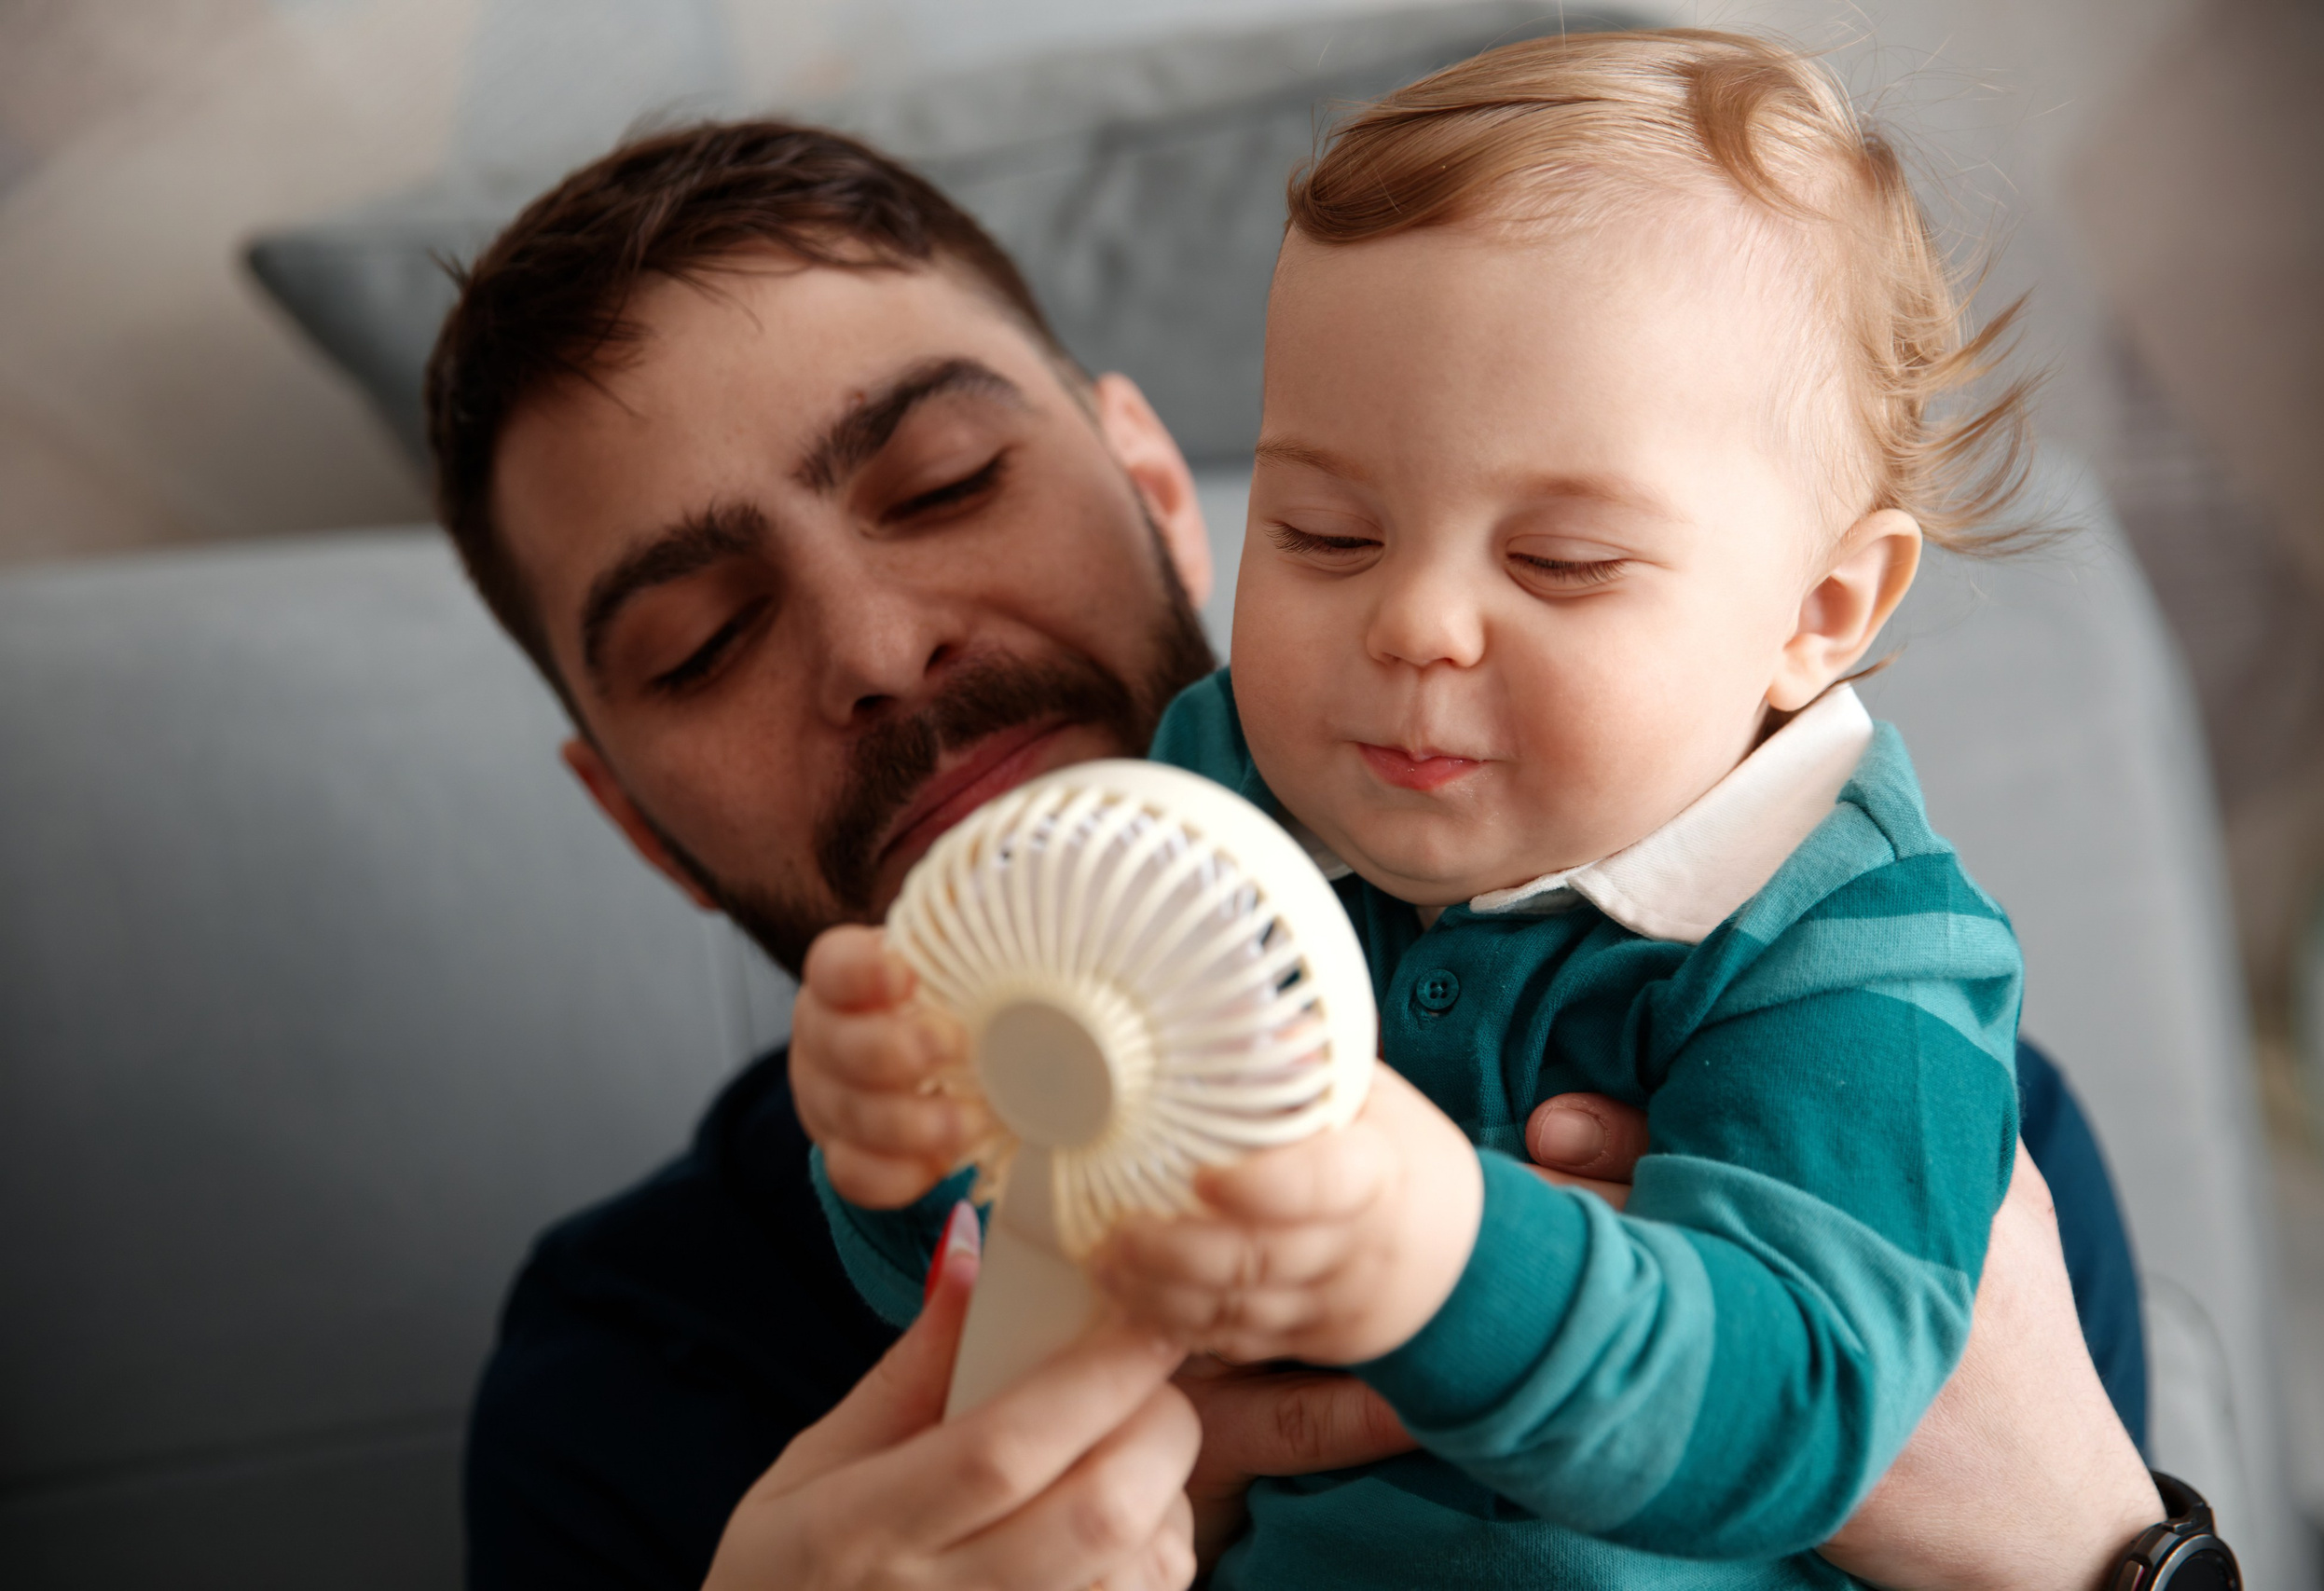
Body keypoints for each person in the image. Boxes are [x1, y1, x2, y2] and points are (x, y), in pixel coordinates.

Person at [423, 105, 2159, 1591]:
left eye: (945, 480)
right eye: (701, 643)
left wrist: (2110, 1558)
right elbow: (994, 1227)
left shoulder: (1908, 1070)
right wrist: (924, 1140)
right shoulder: (617, 1389)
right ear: (634, 821)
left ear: (1166, 496)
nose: (878, 650)